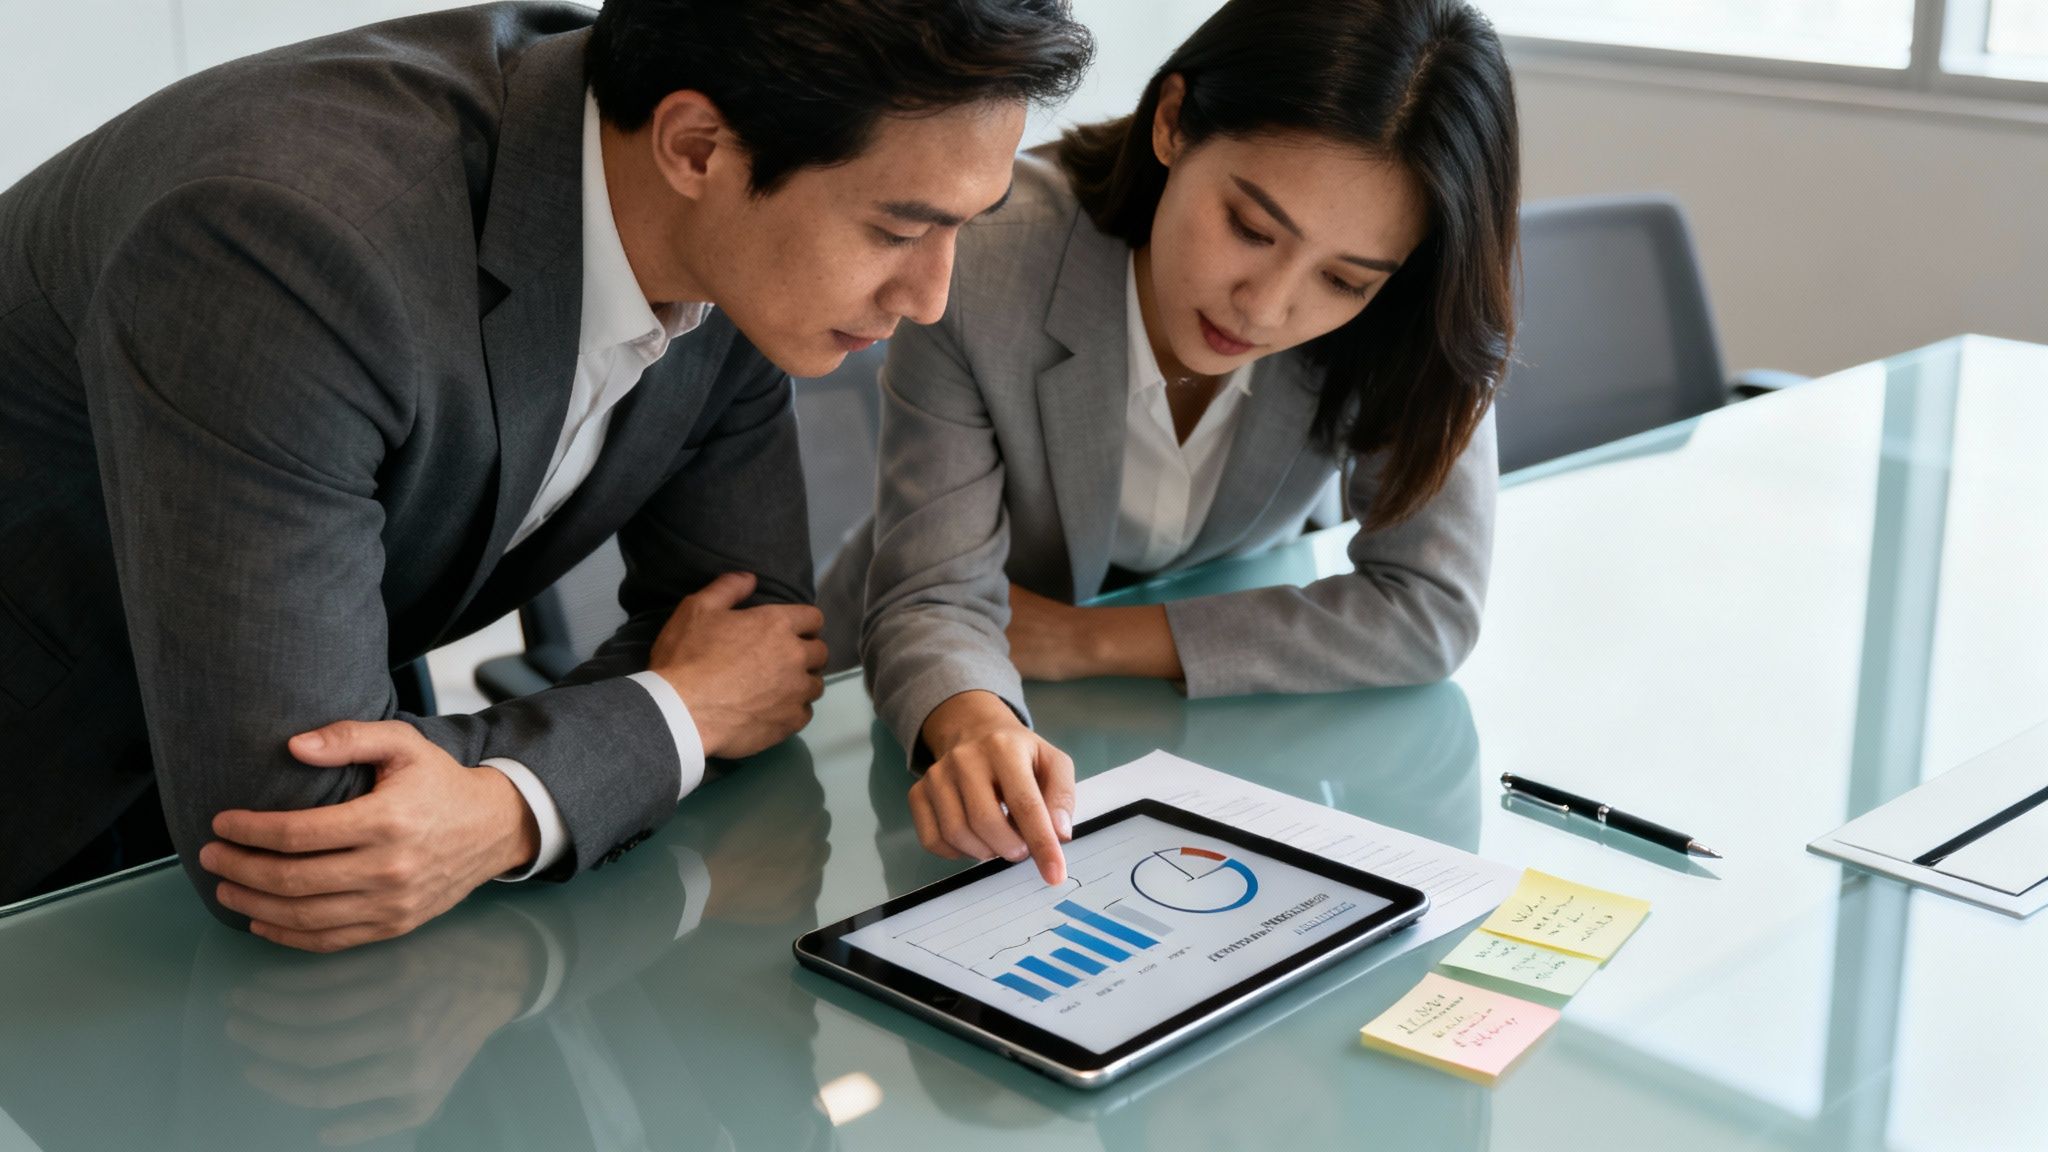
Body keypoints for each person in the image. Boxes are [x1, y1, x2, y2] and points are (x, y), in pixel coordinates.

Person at [0, 0, 1092, 948]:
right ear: (697, 149)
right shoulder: (292, 242)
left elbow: (757, 636)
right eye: (899, 228)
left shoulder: (734, 240)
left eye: (961, 229)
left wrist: (490, 800)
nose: (932, 297)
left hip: (316, 710)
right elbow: (299, 833)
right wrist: (648, 724)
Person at [822, 0, 1519, 883]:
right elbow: (935, 599)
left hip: (1175, 721)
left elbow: (1429, 607)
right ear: (1172, 122)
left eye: (1343, 279)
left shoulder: (1415, 313)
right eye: (1252, 229)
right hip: (901, 694)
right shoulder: (988, 260)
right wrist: (975, 722)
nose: (1264, 308)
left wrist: (1094, 640)